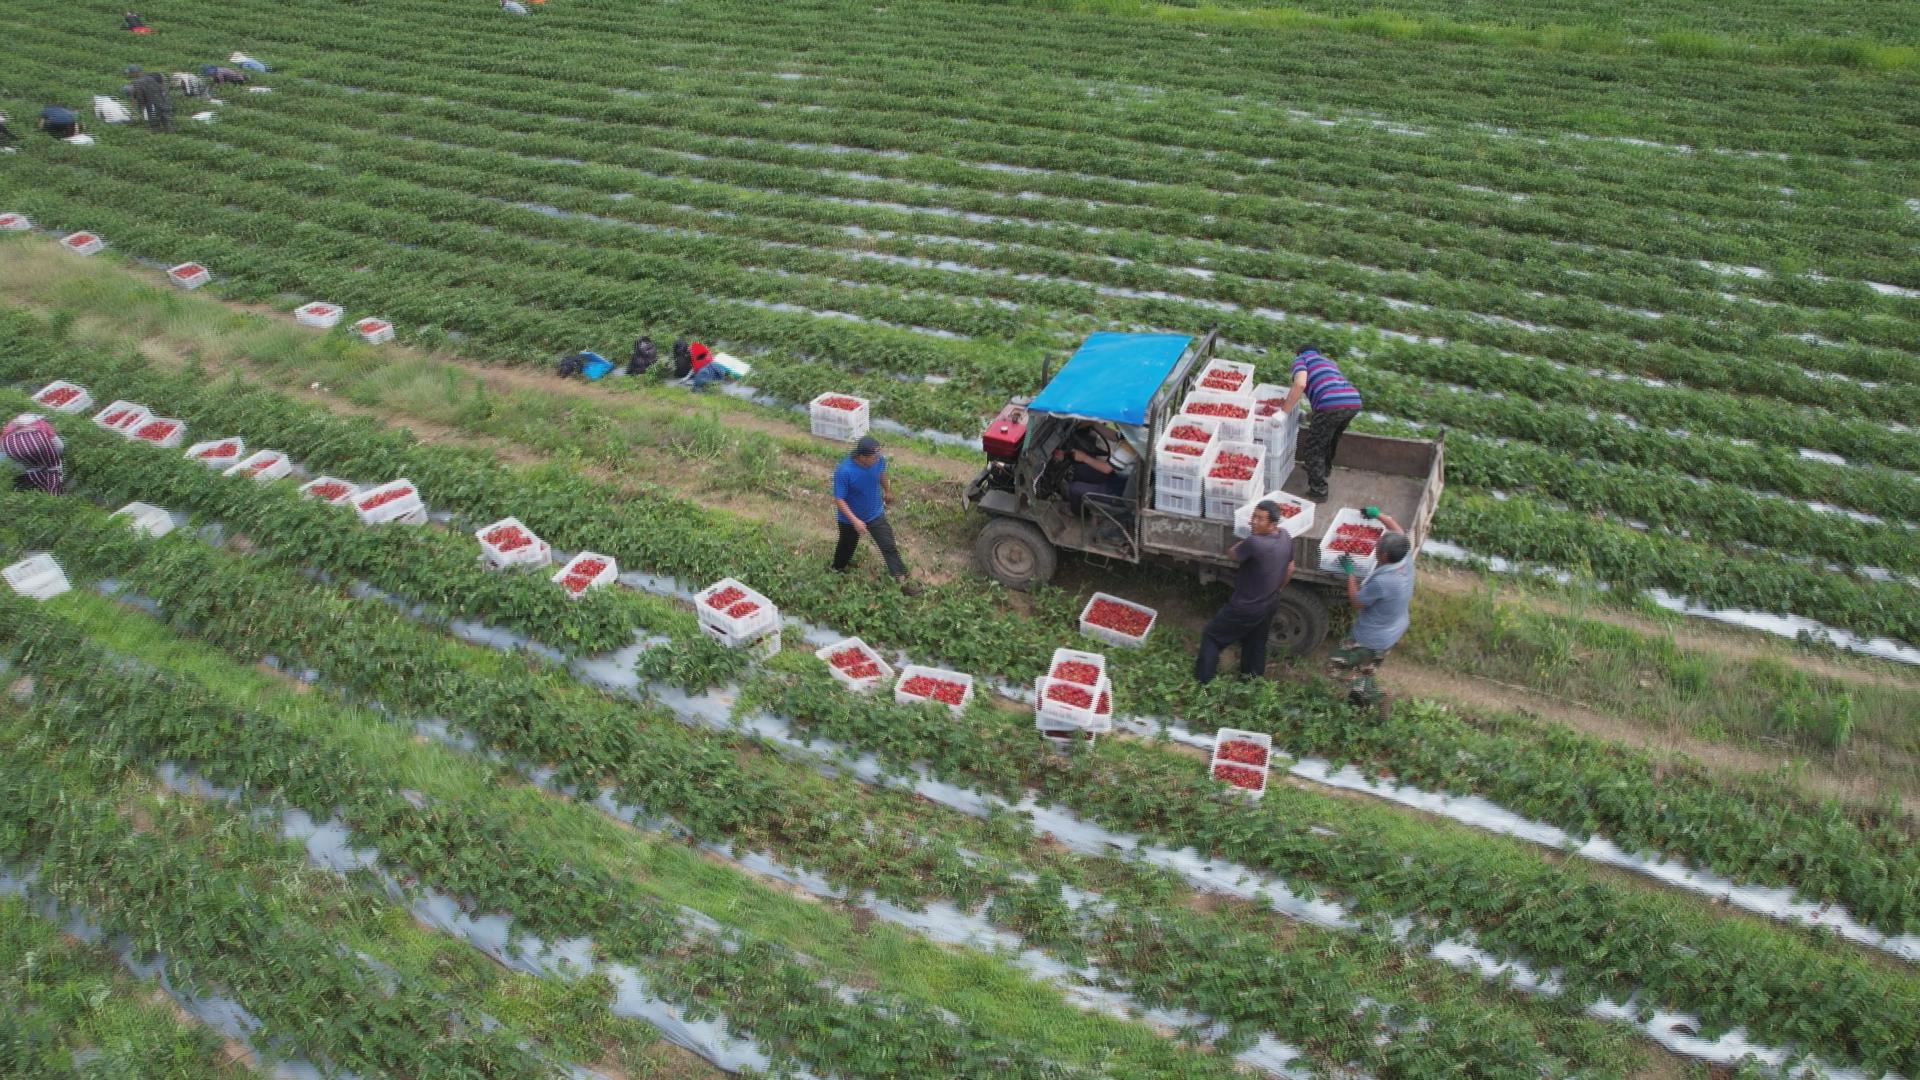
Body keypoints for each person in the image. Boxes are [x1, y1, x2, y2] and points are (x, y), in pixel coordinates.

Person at [1194, 500, 1294, 684]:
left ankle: (1203, 683)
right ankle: (1251, 682)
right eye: (1253, 516)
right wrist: (1277, 589)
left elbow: (1232, 554)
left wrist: (1247, 539)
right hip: (1270, 602)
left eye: (1260, 519)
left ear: (1272, 524)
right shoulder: (1286, 536)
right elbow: (1290, 568)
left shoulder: (1255, 543)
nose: (1253, 522)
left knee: (1212, 636)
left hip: (1246, 607)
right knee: (1255, 643)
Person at [1327, 508, 1412, 714]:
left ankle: (1379, 696)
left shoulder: (1384, 581)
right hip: (1392, 628)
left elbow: (1356, 602)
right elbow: (1398, 531)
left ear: (1383, 555)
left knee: (1336, 670)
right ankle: (1358, 706)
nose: (1373, 549)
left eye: (1376, 548)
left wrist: (1350, 574)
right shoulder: (1406, 558)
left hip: (1370, 636)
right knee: (1366, 668)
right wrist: (1379, 515)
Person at [1277, 345, 1363, 503]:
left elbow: (1300, 384)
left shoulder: (1302, 360)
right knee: (1330, 440)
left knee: (1314, 448)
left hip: (1330, 405)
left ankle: (1319, 491)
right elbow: (1331, 394)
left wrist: (1284, 411)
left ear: (1298, 353)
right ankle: (1324, 470)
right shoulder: (1328, 362)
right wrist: (1310, 416)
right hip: (1352, 401)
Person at [830, 436, 916, 592]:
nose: (878, 459)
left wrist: (888, 490)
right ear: (862, 457)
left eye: (878, 455)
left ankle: (902, 582)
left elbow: (881, 474)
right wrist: (855, 521)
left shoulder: (878, 461)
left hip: (874, 513)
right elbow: (839, 499)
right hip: (849, 520)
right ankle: (837, 570)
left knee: (888, 545)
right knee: (846, 547)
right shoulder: (844, 471)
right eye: (873, 457)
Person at [1064, 421, 1128, 510]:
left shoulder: (1131, 447)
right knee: (1080, 470)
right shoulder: (1133, 435)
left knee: (1073, 488)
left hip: (1116, 491)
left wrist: (1084, 457)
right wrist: (1093, 424)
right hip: (1116, 479)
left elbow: (1106, 469)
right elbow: (1114, 436)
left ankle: (1078, 514)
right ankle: (1077, 502)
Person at [1, 414, 68, 494]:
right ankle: (55, 492)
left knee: (32, 469)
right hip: (37, 444)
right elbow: (59, 446)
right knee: (53, 467)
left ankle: (43, 488)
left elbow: (4, 449)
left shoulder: (8, 428)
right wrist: (52, 458)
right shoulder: (41, 423)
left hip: (16, 450)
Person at [126, 67, 174, 132]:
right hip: (165, 102)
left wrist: (140, 109)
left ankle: (159, 137)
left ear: (135, 73)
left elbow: (141, 98)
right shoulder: (151, 77)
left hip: (153, 105)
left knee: (154, 124)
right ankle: (171, 135)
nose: (129, 75)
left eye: (130, 73)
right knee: (166, 121)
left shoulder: (137, 82)